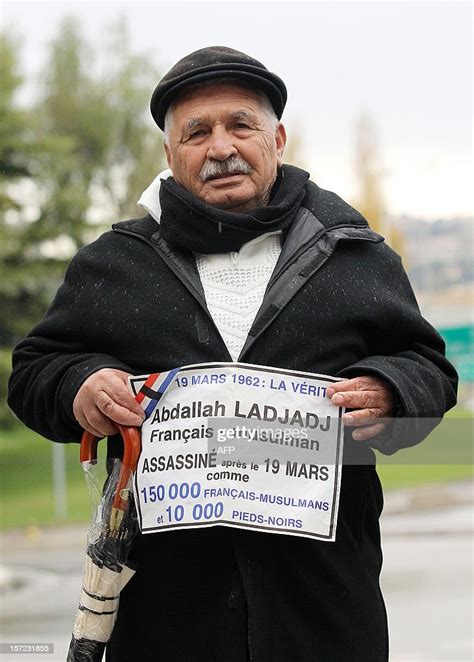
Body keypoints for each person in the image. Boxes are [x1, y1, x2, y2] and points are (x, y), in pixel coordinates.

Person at [8, 46, 457, 661]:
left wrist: (391, 391)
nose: (221, 147)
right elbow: (36, 371)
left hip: (323, 608)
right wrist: (80, 386)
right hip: (166, 613)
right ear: (170, 155)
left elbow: (428, 367)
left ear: (276, 138)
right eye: (197, 132)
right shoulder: (114, 264)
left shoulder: (355, 252)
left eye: (240, 125)